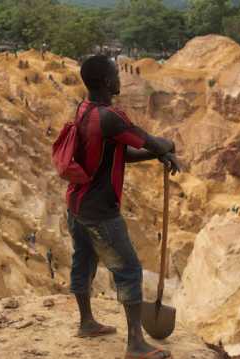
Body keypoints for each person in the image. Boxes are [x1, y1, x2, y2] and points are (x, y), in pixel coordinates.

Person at [63, 55, 179, 359]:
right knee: (128, 270)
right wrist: (167, 148)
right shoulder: (111, 117)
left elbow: (118, 154)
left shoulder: (85, 110)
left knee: (83, 262)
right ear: (105, 82)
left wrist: (156, 155)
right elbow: (150, 141)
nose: (120, 78)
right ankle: (135, 345)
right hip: (100, 211)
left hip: (76, 203)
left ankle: (87, 323)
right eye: (116, 74)